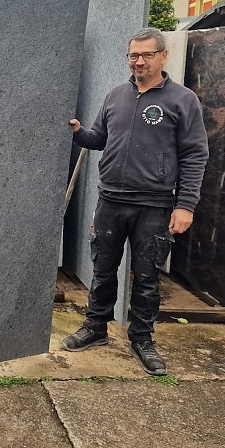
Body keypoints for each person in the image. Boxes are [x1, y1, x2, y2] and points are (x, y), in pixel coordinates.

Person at [61, 27, 208, 376]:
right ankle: (96, 327)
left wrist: (185, 205)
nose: (139, 61)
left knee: (146, 276)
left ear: (163, 56)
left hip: (155, 206)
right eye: (133, 55)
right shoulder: (115, 96)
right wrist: (80, 132)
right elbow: (100, 138)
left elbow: (195, 155)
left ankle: (142, 338)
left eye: (147, 55)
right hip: (111, 200)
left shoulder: (182, 99)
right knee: (102, 269)